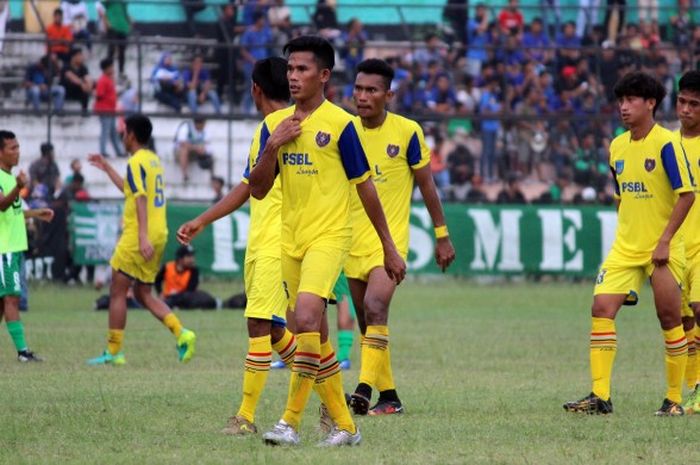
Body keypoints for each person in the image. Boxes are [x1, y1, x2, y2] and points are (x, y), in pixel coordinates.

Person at [249, 36, 406, 447]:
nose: (293, 76)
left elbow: (366, 188)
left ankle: (288, 422)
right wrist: (273, 146)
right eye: (289, 69)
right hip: (290, 241)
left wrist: (389, 246)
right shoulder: (273, 126)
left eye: (302, 69)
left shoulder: (342, 126)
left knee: (303, 318)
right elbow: (259, 189)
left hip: (329, 237)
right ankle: (346, 426)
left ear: (323, 76)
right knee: (314, 336)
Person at [177, 57, 296, 435]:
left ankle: (244, 417)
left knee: (259, 322)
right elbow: (249, 185)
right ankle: (332, 400)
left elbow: (250, 187)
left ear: (255, 89)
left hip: (277, 240)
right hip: (270, 238)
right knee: (278, 330)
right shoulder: (288, 124)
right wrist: (203, 219)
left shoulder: (277, 126)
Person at [564, 72, 695, 416]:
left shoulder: (667, 143)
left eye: (632, 100)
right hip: (625, 249)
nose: (624, 107)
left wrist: (664, 241)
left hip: (662, 249)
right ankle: (600, 396)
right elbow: (621, 196)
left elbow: (687, 196)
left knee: (670, 319)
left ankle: (673, 400)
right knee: (601, 309)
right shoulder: (617, 146)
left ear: (650, 103)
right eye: (621, 100)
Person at [345, 58, 455, 416]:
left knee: (376, 308)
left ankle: (361, 390)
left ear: (388, 94)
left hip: (389, 244)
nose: (363, 96)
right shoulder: (345, 131)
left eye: (372, 90)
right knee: (367, 323)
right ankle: (389, 396)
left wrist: (442, 236)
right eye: (359, 89)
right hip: (351, 242)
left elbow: (427, 184)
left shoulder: (407, 132)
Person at [86, 114, 197, 366]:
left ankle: (114, 352)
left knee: (117, 289)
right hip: (159, 232)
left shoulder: (136, 162)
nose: (122, 137)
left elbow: (139, 199)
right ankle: (183, 333)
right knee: (143, 292)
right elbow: (130, 189)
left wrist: (142, 236)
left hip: (139, 234)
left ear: (132, 135)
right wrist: (106, 167)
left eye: (124, 132)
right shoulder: (152, 160)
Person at [0, 130, 54, 362]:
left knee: (4, 303)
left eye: (18, 147)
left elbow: (13, 211)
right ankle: (23, 353)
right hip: (5, 249)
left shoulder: (11, 177)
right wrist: (18, 187)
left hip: (13, 247)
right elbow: (2, 205)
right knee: (12, 298)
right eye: (12, 148)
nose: (17, 152)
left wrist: (35, 213)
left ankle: (23, 352)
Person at [674, 71, 700, 413]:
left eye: (695, 104)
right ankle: (694, 387)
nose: (686, 110)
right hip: (677, 246)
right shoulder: (668, 144)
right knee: (684, 322)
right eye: (682, 102)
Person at [154, 245, 217, 310]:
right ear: (180, 259)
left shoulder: (193, 271)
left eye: (192, 256)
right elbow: (157, 280)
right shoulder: (168, 267)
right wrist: (160, 293)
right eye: (189, 256)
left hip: (184, 298)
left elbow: (190, 290)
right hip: (168, 297)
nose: (192, 259)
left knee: (200, 297)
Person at [95, 58, 125, 158]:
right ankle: (102, 151)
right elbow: (99, 94)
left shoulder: (109, 79)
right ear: (106, 68)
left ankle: (119, 151)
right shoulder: (103, 80)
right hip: (104, 110)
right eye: (111, 67)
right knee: (106, 131)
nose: (113, 69)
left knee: (113, 132)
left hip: (110, 110)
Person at [174, 117, 214, 182]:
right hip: (181, 151)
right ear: (198, 124)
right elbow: (182, 143)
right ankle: (185, 175)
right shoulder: (186, 127)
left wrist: (203, 149)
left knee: (208, 152)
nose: (204, 126)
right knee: (184, 150)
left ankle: (212, 176)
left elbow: (208, 144)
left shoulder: (205, 129)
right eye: (203, 124)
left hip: (196, 150)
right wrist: (196, 147)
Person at [103, 0, 131, 80]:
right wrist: (106, 23)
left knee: (122, 51)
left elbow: (125, 13)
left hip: (123, 28)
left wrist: (129, 24)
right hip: (112, 28)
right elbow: (102, 9)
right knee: (111, 50)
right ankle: (108, 72)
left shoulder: (123, 2)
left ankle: (121, 72)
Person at [60, 48, 92, 113]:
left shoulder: (83, 67)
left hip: (78, 90)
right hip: (67, 90)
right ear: (73, 57)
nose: (81, 57)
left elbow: (87, 78)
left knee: (86, 92)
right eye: (79, 55)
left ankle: (84, 112)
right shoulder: (66, 66)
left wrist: (88, 86)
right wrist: (82, 84)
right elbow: (72, 77)